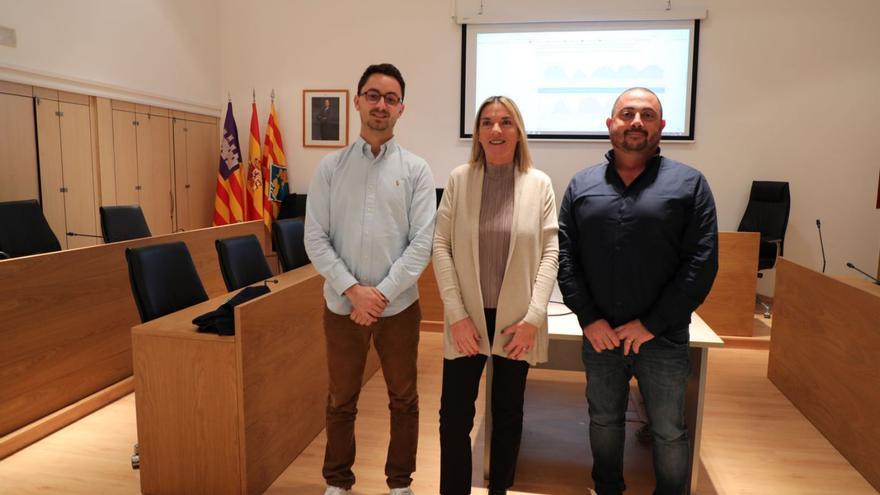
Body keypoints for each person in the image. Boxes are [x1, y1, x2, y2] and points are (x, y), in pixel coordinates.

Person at [557, 87, 718, 495]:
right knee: (604, 421)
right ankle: (607, 488)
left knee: (667, 430)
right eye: (626, 114)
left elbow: (701, 264)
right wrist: (589, 318)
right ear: (610, 124)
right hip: (601, 336)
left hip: (662, 337)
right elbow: (564, 257)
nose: (636, 122)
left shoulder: (690, 185)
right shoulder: (582, 185)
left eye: (647, 115)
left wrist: (650, 324)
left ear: (661, 127)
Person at [304, 63, 436, 495]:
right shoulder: (329, 168)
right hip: (342, 306)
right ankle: (337, 483)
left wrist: (378, 295)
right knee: (341, 400)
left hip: (398, 308)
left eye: (391, 98)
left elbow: (421, 244)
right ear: (357, 101)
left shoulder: (417, 171)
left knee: (404, 399)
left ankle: (400, 485)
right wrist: (353, 291)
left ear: (402, 109)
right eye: (373, 95)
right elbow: (315, 238)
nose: (381, 104)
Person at [433, 96, 559, 495]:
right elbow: (441, 246)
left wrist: (533, 319)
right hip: (466, 319)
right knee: (454, 419)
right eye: (487, 122)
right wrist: (456, 314)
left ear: (518, 130)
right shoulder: (459, 179)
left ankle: (499, 491)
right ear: (478, 133)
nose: (496, 130)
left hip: (515, 323)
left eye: (505, 122)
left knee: (507, 416)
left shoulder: (539, 184)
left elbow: (550, 253)